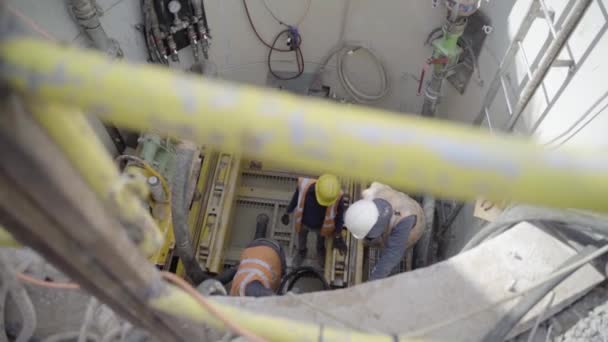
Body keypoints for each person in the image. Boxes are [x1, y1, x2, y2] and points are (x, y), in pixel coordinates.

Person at [345, 182, 425, 280]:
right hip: (394, 214)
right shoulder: (371, 194)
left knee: (396, 249)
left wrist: (370, 284)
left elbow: (391, 257)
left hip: (413, 226)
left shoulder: (404, 223)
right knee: (370, 240)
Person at [282, 174, 347, 268]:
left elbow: (340, 216)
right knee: (301, 239)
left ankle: (320, 251)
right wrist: (287, 211)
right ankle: (302, 251)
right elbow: (296, 198)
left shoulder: (337, 196)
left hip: (321, 226)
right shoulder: (304, 187)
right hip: (303, 222)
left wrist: (338, 234)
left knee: (320, 241)